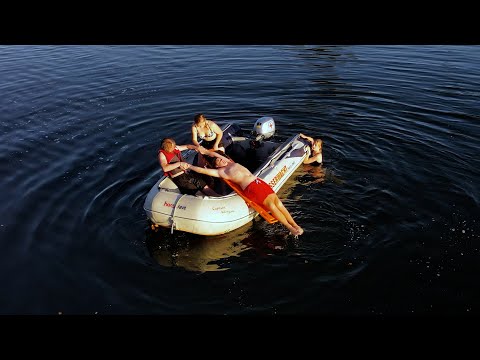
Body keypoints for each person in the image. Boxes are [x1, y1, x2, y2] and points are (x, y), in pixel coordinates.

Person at [183, 148, 304, 236]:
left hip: (259, 182)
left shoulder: (229, 162)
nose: (221, 160)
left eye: (221, 158)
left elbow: (213, 153)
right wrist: (189, 166)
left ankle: (295, 224)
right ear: (216, 166)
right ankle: (290, 228)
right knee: (272, 206)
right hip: (251, 188)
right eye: (219, 161)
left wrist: (201, 150)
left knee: (279, 203)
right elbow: (203, 171)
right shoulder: (221, 172)